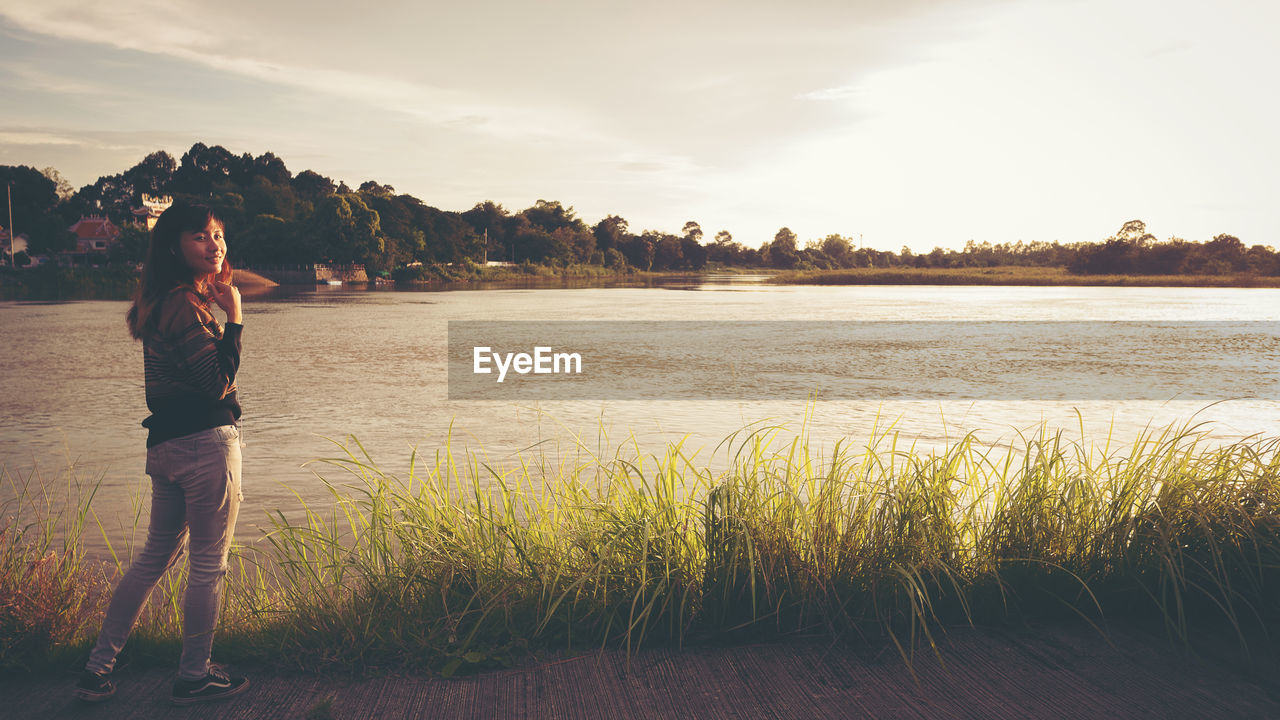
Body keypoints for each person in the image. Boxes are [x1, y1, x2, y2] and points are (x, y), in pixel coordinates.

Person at [75, 203, 250, 706]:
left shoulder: (162, 303)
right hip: (206, 445)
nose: (214, 244)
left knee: (153, 559)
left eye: (218, 235)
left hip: (168, 446)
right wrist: (234, 316)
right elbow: (218, 383)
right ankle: (194, 675)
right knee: (207, 566)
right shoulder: (184, 304)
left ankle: (96, 669)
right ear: (174, 246)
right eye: (200, 236)